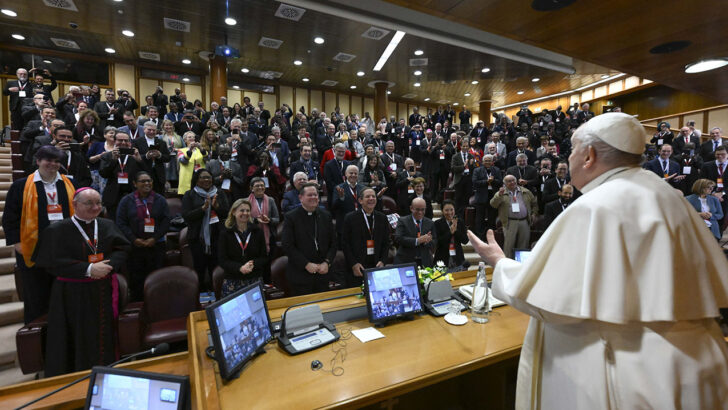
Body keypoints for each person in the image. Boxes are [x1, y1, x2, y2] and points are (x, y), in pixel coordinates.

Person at [468, 112, 728, 409]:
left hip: (626, 375)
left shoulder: (597, 205)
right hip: (694, 366)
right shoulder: (670, 196)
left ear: (589, 155)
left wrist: (500, 263)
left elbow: (546, 298)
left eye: (573, 151)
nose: (570, 158)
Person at [34, 187, 129, 377]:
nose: (95, 208)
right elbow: (49, 263)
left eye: (98, 203)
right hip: (71, 294)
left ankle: (105, 372)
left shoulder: (106, 225)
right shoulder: (57, 230)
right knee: (73, 338)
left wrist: (109, 266)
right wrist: (88, 269)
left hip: (102, 291)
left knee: (102, 336)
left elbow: (123, 248)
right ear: (75, 204)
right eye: (89, 203)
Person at [3, 146, 77, 323]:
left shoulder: (69, 184)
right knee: (36, 298)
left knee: (62, 296)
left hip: (62, 249)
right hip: (33, 249)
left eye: (57, 161)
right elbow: (10, 217)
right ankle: (37, 339)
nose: (52, 164)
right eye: (48, 160)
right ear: (38, 161)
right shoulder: (21, 186)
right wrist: (17, 243)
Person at [116, 172, 170, 301]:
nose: (147, 183)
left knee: (157, 277)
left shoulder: (160, 200)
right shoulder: (126, 201)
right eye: (143, 181)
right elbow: (121, 222)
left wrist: (154, 238)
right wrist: (134, 239)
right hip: (135, 246)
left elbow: (166, 221)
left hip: (156, 245)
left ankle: (158, 303)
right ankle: (138, 304)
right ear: (134, 184)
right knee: (137, 279)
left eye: (149, 181)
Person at [281, 182, 337, 295]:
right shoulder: (291, 217)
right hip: (301, 275)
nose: (314, 197)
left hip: (323, 273)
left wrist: (327, 262)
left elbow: (334, 243)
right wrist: (306, 264)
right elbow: (288, 245)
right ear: (300, 198)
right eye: (310, 195)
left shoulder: (326, 215)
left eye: (315, 195)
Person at [182, 168, 230, 291]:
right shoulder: (190, 194)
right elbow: (186, 216)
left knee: (216, 268)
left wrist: (217, 207)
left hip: (217, 237)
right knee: (200, 269)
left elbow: (227, 213)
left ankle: (218, 293)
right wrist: (202, 209)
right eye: (202, 177)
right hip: (197, 238)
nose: (206, 180)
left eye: (208, 177)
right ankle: (201, 295)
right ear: (196, 180)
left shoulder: (219, 193)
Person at [218, 199, 268, 297]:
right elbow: (222, 260)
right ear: (233, 212)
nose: (245, 213)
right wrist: (239, 268)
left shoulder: (257, 231)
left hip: (254, 279)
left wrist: (253, 264)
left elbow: (264, 257)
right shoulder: (225, 233)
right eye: (242, 210)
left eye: (248, 210)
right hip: (233, 280)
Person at [342, 188, 390, 287]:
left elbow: (386, 242)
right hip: (358, 266)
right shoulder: (350, 218)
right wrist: (354, 264)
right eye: (367, 196)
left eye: (373, 196)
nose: (371, 198)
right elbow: (345, 244)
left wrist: (383, 261)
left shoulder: (382, 217)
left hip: (377, 264)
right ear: (360, 200)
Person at [99, 131, 144, 219]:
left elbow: (146, 174)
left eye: (126, 140)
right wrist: (113, 160)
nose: (123, 143)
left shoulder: (136, 156)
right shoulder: (107, 156)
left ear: (130, 142)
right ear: (114, 141)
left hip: (133, 194)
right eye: (120, 140)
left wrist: (140, 161)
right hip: (113, 196)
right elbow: (103, 174)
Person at [489, 174, 537, 258]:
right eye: (509, 181)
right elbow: (493, 204)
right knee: (509, 245)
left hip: (524, 221)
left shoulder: (525, 191)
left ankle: (521, 265)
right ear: (505, 184)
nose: (512, 182)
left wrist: (534, 213)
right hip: (510, 222)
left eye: (513, 180)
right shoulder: (501, 193)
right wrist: (499, 195)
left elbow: (534, 203)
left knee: (523, 244)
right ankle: (508, 264)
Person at [394, 197, 436, 267]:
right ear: (411, 208)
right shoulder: (402, 221)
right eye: (417, 209)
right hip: (405, 261)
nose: (420, 212)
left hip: (425, 261)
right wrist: (417, 241)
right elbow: (398, 238)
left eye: (423, 209)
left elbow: (434, 241)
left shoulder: (430, 223)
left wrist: (427, 241)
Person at [332, 165, 366, 248]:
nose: (353, 175)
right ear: (346, 174)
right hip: (344, 225)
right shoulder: (339, 188)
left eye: (355, 173)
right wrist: (341, 198)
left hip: (360, 225)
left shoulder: (363, 188)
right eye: (351, 173)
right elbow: (334, 207)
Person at [134, 121, 171, 194]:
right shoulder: (137, 141)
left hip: (158, 175)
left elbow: (168, 157)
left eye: (154, 130)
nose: (151, 132)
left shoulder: (161, 142)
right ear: (144, 130)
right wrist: (146, 156)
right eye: (149, 130)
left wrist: (159, 155)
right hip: (143, 172)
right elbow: (134, 157)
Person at [247, 177, 280, 257]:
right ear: (251, 188)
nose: (260, 187)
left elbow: (277, 219)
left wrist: (269, 220)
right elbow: (243, 220)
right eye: (257, 186)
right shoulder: (245, 201)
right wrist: (255, 220)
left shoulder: (270, 200)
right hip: (252, 236)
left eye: (262, 185)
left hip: (269, 235)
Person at [472, 154, 503, 236]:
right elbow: (475, 182)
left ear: (492, 162)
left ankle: (491, 235)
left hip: (493, 196)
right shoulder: (477, 170)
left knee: (492, 217)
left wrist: (492, 181)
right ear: (482, 162)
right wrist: (486, 181)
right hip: (481, 196)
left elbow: (500, 182)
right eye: (486, 160)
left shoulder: (497, 170)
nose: (487, 162)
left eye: (489, 160)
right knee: (480, 218)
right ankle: (480, 236)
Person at [433, 200, 468, 272]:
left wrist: (456, 231)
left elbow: (465, 240)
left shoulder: (460, 222)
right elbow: (438, 242)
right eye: (446, 210)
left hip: (457, 257)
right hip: (442, 257)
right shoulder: (437, 223)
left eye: (451, 210)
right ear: (442, 211)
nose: (449, 212)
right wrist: (450, 232)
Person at [700, 145, 728, 228]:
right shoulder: (706, 165)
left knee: (722, 219)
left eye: (723, 154)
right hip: (709, 196)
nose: (720, 156)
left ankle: (718, 237)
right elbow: (702, 181)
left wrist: (722, 193)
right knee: (709, 218)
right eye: (717, 154)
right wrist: (712, 193)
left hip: (725, 197)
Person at [177, 131, 207, 195]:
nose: (192, 138)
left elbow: (207, 159)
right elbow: (183, 161)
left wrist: (201, 148)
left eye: (193, 137)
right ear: (185, 140)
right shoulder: (181, 150)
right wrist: (190, 150)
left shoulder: (201, 150)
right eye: (189, 137)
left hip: (200, 176)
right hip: (188, 177)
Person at [451, 138, 475, 218]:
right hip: (459, 180)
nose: (465, 148)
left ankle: (465, 216)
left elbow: (473, 169)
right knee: (458, 198)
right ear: (460, 147)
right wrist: (463, 166)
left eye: (466, 146)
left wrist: (471, 165)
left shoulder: (471, 156)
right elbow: (453, 168)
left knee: (466, 198)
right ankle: (457, 216)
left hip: (468, 179)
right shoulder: (455, 156)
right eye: (463, 146)